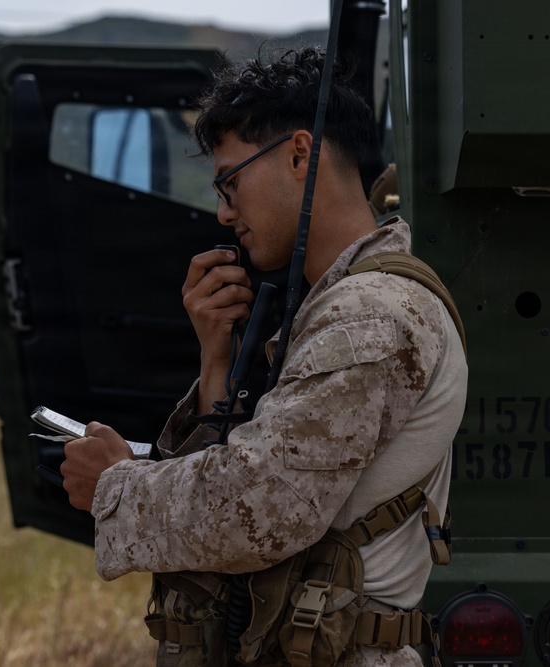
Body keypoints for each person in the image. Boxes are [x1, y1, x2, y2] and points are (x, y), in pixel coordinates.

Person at [59, 46, 468, 667]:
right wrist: (215, 364)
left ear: (300, 155)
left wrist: (115, 487)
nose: (225, 212)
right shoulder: (337, 303)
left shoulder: (368, 313)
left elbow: (262, 508)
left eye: (231, 181)